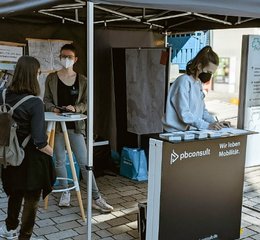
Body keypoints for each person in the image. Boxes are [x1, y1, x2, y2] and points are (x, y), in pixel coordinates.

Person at [44, 44, 113, 213]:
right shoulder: (51, 78)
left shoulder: (82, 80)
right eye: (63, 56)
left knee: (84, 162)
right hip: (58, 126)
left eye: (69, 57)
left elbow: (86, 103)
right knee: (59, 160)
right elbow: (45, 100)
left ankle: (96, 197)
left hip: (75, 127)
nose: (65, 59)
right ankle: (65, 191)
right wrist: (53, 108)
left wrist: (76, 108)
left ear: (75, 59)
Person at [0, 56, 54, 240]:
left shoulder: (3, 94)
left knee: (14, 193)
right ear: (33, 75)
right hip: (31, 160)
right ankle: (25, 235)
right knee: (31, 199)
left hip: (9, 155)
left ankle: (10, 228)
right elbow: (39, 141)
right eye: (38, 72)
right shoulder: (35, 103)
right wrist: (51, 151)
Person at [162, 46, 230, 132]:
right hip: (174, 132)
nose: (209, 75)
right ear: (199, 66)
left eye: (212, 73)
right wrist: (207, 126)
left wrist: (216, 123)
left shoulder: (198, 83)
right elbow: (185, 114)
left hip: (188, 132)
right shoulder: (184, 81)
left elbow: (203, 111)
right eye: (208, 72)